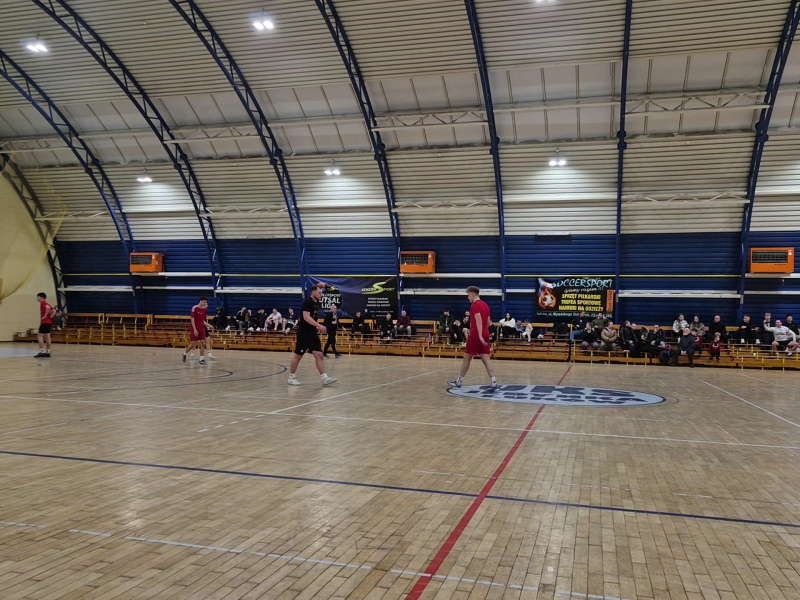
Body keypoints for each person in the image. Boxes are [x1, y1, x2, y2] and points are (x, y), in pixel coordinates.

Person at [448, 286, 498, 389]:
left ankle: (459, 381)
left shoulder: (475, 305)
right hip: (485, 333)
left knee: (467, 358)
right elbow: (488, 322)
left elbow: (478, 321)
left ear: (472, 294)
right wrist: (484, 333)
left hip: (476, 335)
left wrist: (479, 335)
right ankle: (494, 382)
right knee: (486, 358)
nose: (468, 297)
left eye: (468, 295)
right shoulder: (486, 305)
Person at [287, 283, 337, 386]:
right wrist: (319, 325)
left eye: (321, 293)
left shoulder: (317, 303)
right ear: (313, 292)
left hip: (312, 333)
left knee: (319, 355)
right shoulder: (308, 303)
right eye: (319, 293)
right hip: (304, 333)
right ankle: (291, 377)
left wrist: (315, 327)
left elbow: (313, 318)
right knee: (298, 355)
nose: (321, 295)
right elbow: (306, 317)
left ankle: (324, 378)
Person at [182, 296, 209, 365]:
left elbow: (202, 320)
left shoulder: (204, 309)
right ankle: (184, 353)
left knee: (203, 343)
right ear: (201, 301)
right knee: (193, 344)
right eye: (204, 302)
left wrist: (208, 325)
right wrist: (195, 330)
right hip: (195, 328)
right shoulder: (194, 308)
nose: (205, 303)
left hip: (202, 329)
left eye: (206, 302)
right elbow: (192, 320)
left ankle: (201, 359)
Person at [34, 292, 55, 358]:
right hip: (49, 322)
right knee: (47, 337)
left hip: (45, 322)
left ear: (42, 297)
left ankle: (42, 352)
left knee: (39, 336)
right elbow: (54, 310)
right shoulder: (47, 303)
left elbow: (48, 308)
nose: (37, 298)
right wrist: (51, 316)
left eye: (38, 297)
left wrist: (45, 316)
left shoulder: (43, 303)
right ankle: (48, 352)